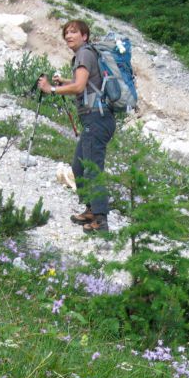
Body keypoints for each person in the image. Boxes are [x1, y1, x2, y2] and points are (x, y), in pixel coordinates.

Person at [37, 19, 116, 234]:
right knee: (79, 165)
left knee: (91, 168)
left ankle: (101, 220)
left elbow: (80, 86)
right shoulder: (86, 55)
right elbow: (86, 85)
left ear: (84, 36)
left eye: (74, 32)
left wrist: (51, 89)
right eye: (66, 33)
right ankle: (91, 209)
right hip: (97, 119)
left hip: (96, 119)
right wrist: (64, 81)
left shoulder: (84, 54)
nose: (69, 36)